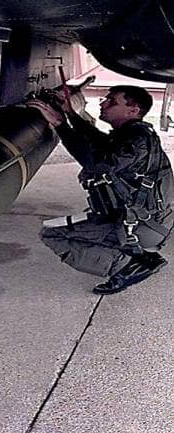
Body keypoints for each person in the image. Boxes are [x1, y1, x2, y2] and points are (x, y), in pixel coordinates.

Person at [29, 85, 174, 294]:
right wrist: (69, 114)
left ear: (133, 110)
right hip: (143, 220)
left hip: (143, 226)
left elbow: (96, 163)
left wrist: (60, 124)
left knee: (52, 234)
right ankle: (143, 255)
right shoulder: (133, 134)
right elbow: (98, 140)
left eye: (112, 101)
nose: (103, 103)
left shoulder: (136, 141)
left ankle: (129, 266)